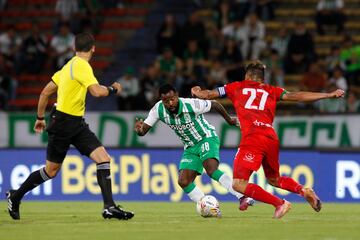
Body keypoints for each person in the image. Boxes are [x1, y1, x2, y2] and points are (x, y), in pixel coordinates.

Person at [191, 61, 345, 219]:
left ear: (248, 75)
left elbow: (207, 95)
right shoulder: (272, 90)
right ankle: (302, 190)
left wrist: (196, 90)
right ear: (262, 78)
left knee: (238, 184)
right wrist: (328, 95)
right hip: (271, 137)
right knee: (274, 179)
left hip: (253, 137)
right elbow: (297, 96)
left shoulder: (236, 86)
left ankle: (280, 203)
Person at [6, 33, 134, 221]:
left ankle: (109, 207)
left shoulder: (67, 67)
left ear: (75, 48)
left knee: (103, 158)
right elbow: (96, 92)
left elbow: (45, 92)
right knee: (51, 171)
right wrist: (114, 89)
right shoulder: (82, 66)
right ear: (93, 48)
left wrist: (40, 117)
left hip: (74, 123)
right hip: (64, 123)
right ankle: (15, 196)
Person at [134, 84, 254, 216]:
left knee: (211, 170)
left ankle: (243, 196)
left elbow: (214, 104)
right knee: (183, 181)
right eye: (165, 101)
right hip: (190, 146)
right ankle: (208, 207)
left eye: (172, 99)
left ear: (177, 95)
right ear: (161, 100)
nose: (170, 103)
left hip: (206, 137)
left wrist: (230, 120)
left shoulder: (190, 104)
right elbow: (143, 131)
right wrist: (139, 130)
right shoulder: (158, 109)